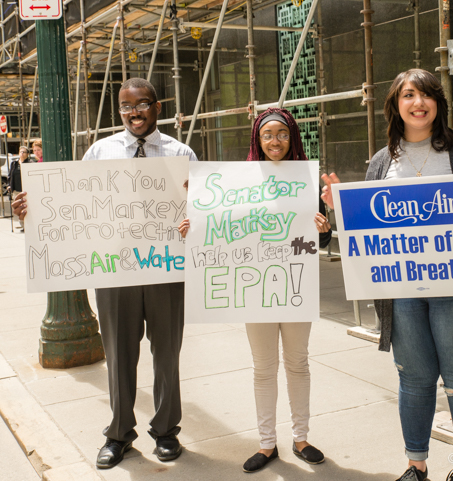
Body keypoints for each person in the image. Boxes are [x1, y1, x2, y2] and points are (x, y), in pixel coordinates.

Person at [322, 69, 453, 481]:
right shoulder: (383, 161)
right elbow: (366, 233)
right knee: (414, 378)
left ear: (437, 103)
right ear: (396, 104)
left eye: (426, 95)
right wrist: (341, 210)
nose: (418, 103)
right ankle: (415, 465)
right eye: (408, 95)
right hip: (401, 292)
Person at [13, 77, 198, 469]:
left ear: (157, 107)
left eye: (142, 104)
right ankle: (119, 435)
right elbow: (72, 203)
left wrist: (195, 220)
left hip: (166, 269)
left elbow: (202, 207)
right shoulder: (100, 151)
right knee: (118, 355)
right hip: (114, 271)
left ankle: (166, 432)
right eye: (126, 107)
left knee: (167, 354)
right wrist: (35, 210)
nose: (134, 113)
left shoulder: (182, 153)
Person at [178, 107, 332, 473]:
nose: (275, 141)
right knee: (263, 368)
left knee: (298, 363)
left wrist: (323, 228)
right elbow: (218, 228)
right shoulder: (238, 181)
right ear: (257, 140)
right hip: (255, 289)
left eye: (281, 134)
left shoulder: (305, 180)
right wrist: (193, 228)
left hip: (294, 285)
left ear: (292, 137)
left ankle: (301, 437)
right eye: (267, 135)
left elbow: (319, 242)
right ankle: (266, 444)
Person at [7, 145, 32, 231]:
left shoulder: (30, 163)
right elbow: (10, 175)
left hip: (25, 190)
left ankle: (27, 226)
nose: (21, 153)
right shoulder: (14, 163)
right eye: (20, 151)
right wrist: (9, 185)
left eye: (24, 152)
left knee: (25, 207)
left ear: (27, 154)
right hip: (16, 190)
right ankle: (22, 225)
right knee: (18, 208)